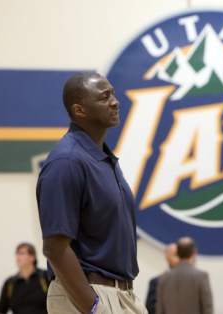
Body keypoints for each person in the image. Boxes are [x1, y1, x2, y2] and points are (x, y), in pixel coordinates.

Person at [36, 72, 147, 314]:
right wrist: (94, 307)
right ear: (79, 110)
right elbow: (55, 247)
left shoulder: (103, 158)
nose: (115, 102)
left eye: (114, 94)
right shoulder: (67, 161)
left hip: (122, 296)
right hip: (87, 296)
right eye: (104, 97)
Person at [156, 237, 213, 314]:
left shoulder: (164, 278)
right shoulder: (201, 276)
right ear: (194, 252)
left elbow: (159, 309)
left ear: (178, 253)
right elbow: (207, 308)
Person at [0, 242, 49, 314]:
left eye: (22, 253)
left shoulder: (45, 277)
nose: (18, 257)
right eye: (17, 253)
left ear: (32, 257)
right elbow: (1, 310)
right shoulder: (9, 283)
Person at [145, 244, 179, 314]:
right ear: (167, 257)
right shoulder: (156, 282)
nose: (179, 259)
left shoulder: (193, 281)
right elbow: (151, 308)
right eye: (175, 255)